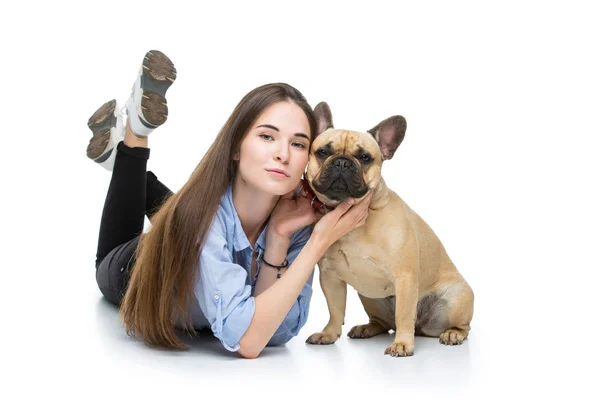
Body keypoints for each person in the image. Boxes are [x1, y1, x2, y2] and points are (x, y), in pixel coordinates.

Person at [87, 50, 371, 359]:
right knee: (189, 219)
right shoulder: (204, 221)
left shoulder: (296, 222)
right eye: (267, 137)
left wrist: (278, 237)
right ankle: (135, 135)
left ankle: (123, 167)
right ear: (236, 148)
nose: (283, 154)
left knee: (188, 212)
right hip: (134, 267)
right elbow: (249, 343)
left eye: (299, 144)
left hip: (195, 221)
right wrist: (319, 243)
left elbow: (276, 333)